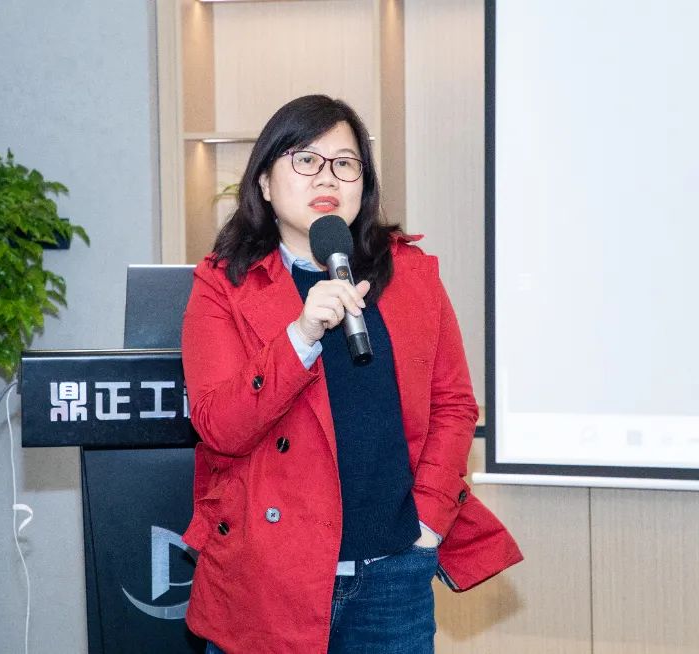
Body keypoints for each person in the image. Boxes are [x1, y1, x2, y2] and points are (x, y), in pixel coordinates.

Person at [180, 94, 522, 654]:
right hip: (268, 578)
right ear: (264, 181)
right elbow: (219, 425)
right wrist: (300, 337)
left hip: (393, 572)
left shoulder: (409, 274)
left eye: (345, 163)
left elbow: (453, 405)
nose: (328, 177)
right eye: (305, 159)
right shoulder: (224, 284)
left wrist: (428, 521)